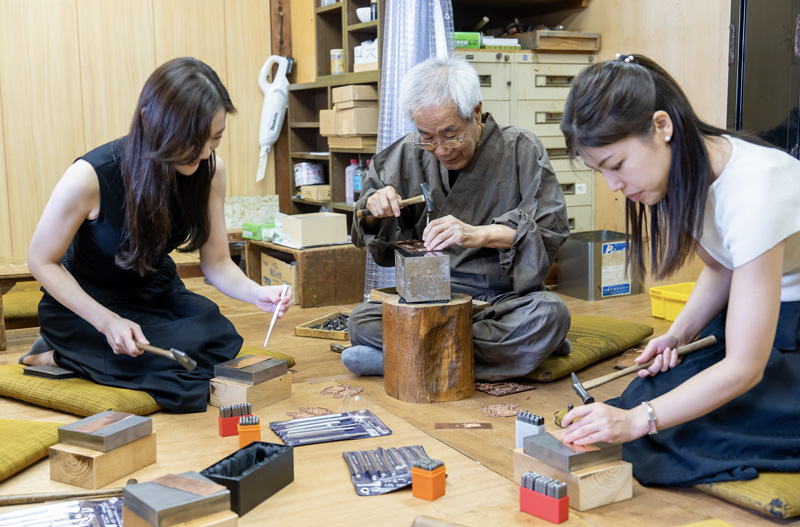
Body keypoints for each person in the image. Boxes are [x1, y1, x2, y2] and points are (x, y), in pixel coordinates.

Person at [559, 54, 800, 485]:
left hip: (789, 327)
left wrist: (638, 421)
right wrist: (678, 335)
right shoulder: (687, 171)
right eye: (600, 172)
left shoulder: (755, 188)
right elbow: (722, 268)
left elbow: (745, 367)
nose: (614, 186)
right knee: (649, 397)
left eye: (616, 165)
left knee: (675, 431)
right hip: (770, 319)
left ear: (662, 126)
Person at [23, 57, 292, 413]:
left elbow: (217, 263)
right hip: (89, 302)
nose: (204, 153)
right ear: (150, 121)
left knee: (217, 334)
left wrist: (257, 293)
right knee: (182, 375)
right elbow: (41, 261)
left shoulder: (210, 170)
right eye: (193, 140)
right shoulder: (90, 176)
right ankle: (60, 353)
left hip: (155, 291)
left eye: (214, 139)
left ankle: (86, 354)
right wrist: (107, 322)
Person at [342, 55, 572, 381]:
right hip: (428, 299)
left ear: (476, 112)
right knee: (361, 321)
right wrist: (373, 210)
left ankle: (403, 360)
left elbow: (550, 230)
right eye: (427, 136)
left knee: (549, 315)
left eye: (450, 134)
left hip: (502, 301)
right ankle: (502, 357)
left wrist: (477, 234)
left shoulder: (521, 149)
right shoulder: (406, 154)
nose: (441, 149)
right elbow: (366, 227)